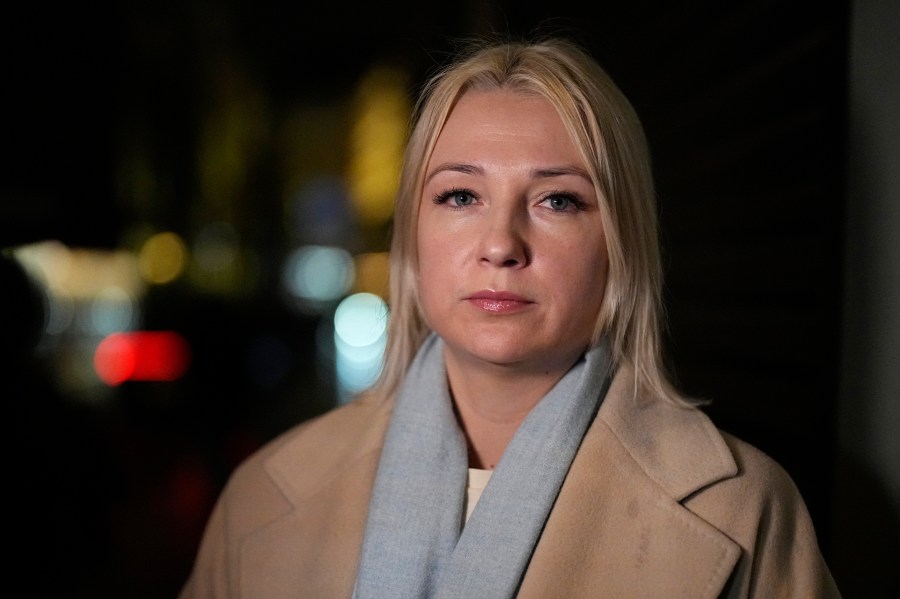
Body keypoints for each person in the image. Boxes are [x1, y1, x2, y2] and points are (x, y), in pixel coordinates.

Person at [179, 36, 841, 598]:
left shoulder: (745, 509)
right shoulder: (262, 495)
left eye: (558, 200)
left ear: (621, 244)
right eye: (461, 195)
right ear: (414, 236)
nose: (500, 244)